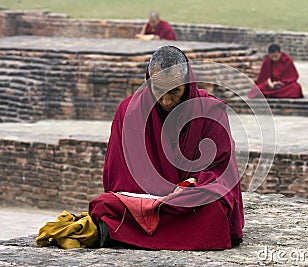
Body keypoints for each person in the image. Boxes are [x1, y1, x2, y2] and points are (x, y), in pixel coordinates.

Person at [89, 46, 244, 250]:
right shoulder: (129, 112)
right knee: (106, 204)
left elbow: (222, 172)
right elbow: (116, 178)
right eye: (159, 91)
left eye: (175, 91)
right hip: (145, 201)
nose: (167, 101)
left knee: (214, 206)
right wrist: (152, 198)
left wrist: (195, 181)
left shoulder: (210, 111)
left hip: (188, 200)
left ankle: (125, 234)